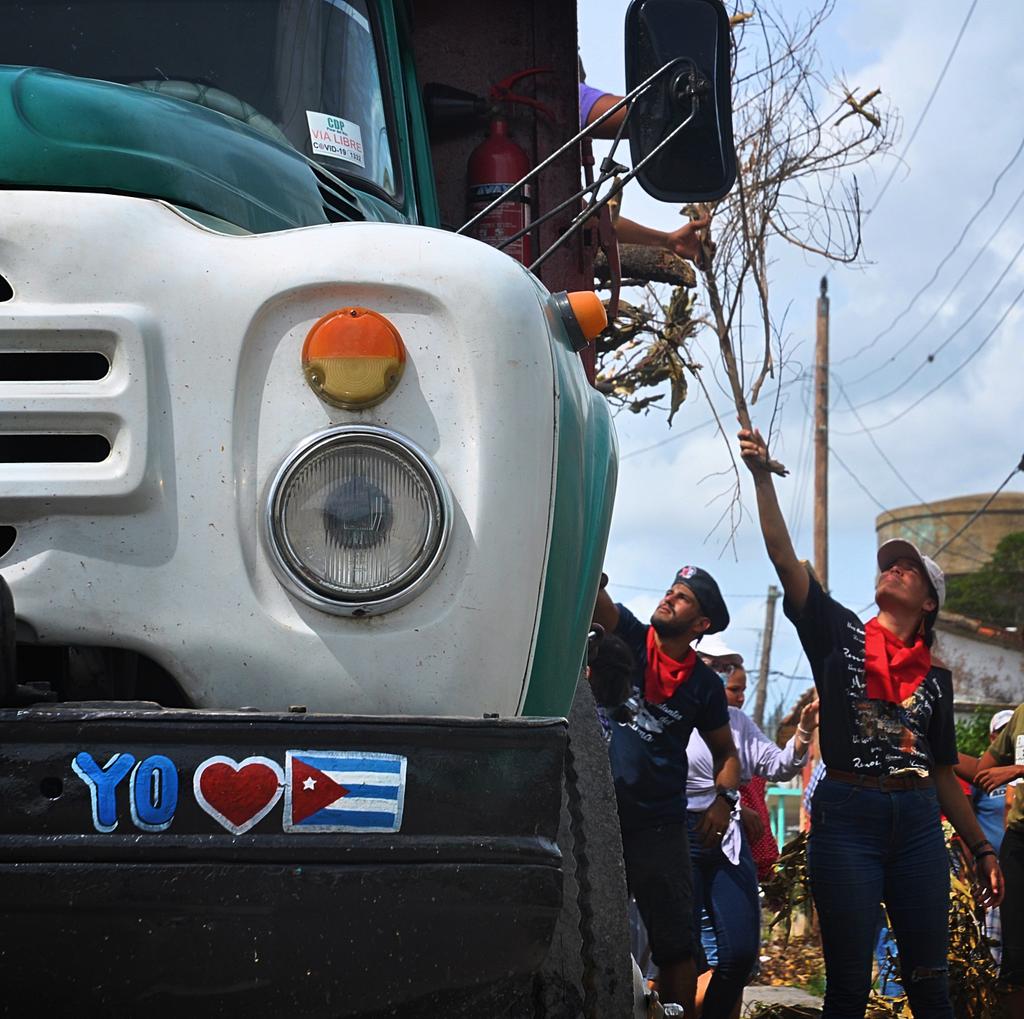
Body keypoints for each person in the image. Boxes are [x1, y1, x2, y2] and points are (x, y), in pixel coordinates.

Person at [738, 426, 1004, 1019]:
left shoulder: (936, 679)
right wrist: (761, 479)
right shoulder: (840, 634)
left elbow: (939, 773)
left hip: (915, 824)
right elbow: (785, 557)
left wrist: (982, 848)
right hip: (848, 817)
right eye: (889, 566)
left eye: (909, 570)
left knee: (931, 984)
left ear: (929, 603)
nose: (893, 571)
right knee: (850, 986)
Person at [592, 567, 741, 1015]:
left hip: (660, 826)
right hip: (602, 819)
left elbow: (728, 756)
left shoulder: (705, 686)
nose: (669, 598)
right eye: (670, 590)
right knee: (592, 934)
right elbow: (595, 598)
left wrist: (724, 800)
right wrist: (592, 572)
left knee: (677, 948)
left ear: (702, 625)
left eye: (684, 598)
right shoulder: (632, 637)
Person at [687, 693, 819, 1019]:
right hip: (675, 836)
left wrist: (803, 732)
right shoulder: (671, 714)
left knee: (739, 956)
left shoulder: (737, 722)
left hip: (728, 845)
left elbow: (779, 765)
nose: (738, 694)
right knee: (679, 954)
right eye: (725, 677)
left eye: (740, 683)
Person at [578, 81, 710, 262]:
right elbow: (651, 116)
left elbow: (582, 219)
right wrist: (691, 103)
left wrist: (668, 241)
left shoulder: (560, 97)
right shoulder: (556, 94)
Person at [975, 702, 1024, 1019]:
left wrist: (1020, 770)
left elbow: (1010, 770)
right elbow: (982, 770)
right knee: (1016, 961)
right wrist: (936, 756)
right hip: (1019, 841)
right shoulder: (1021, 713)